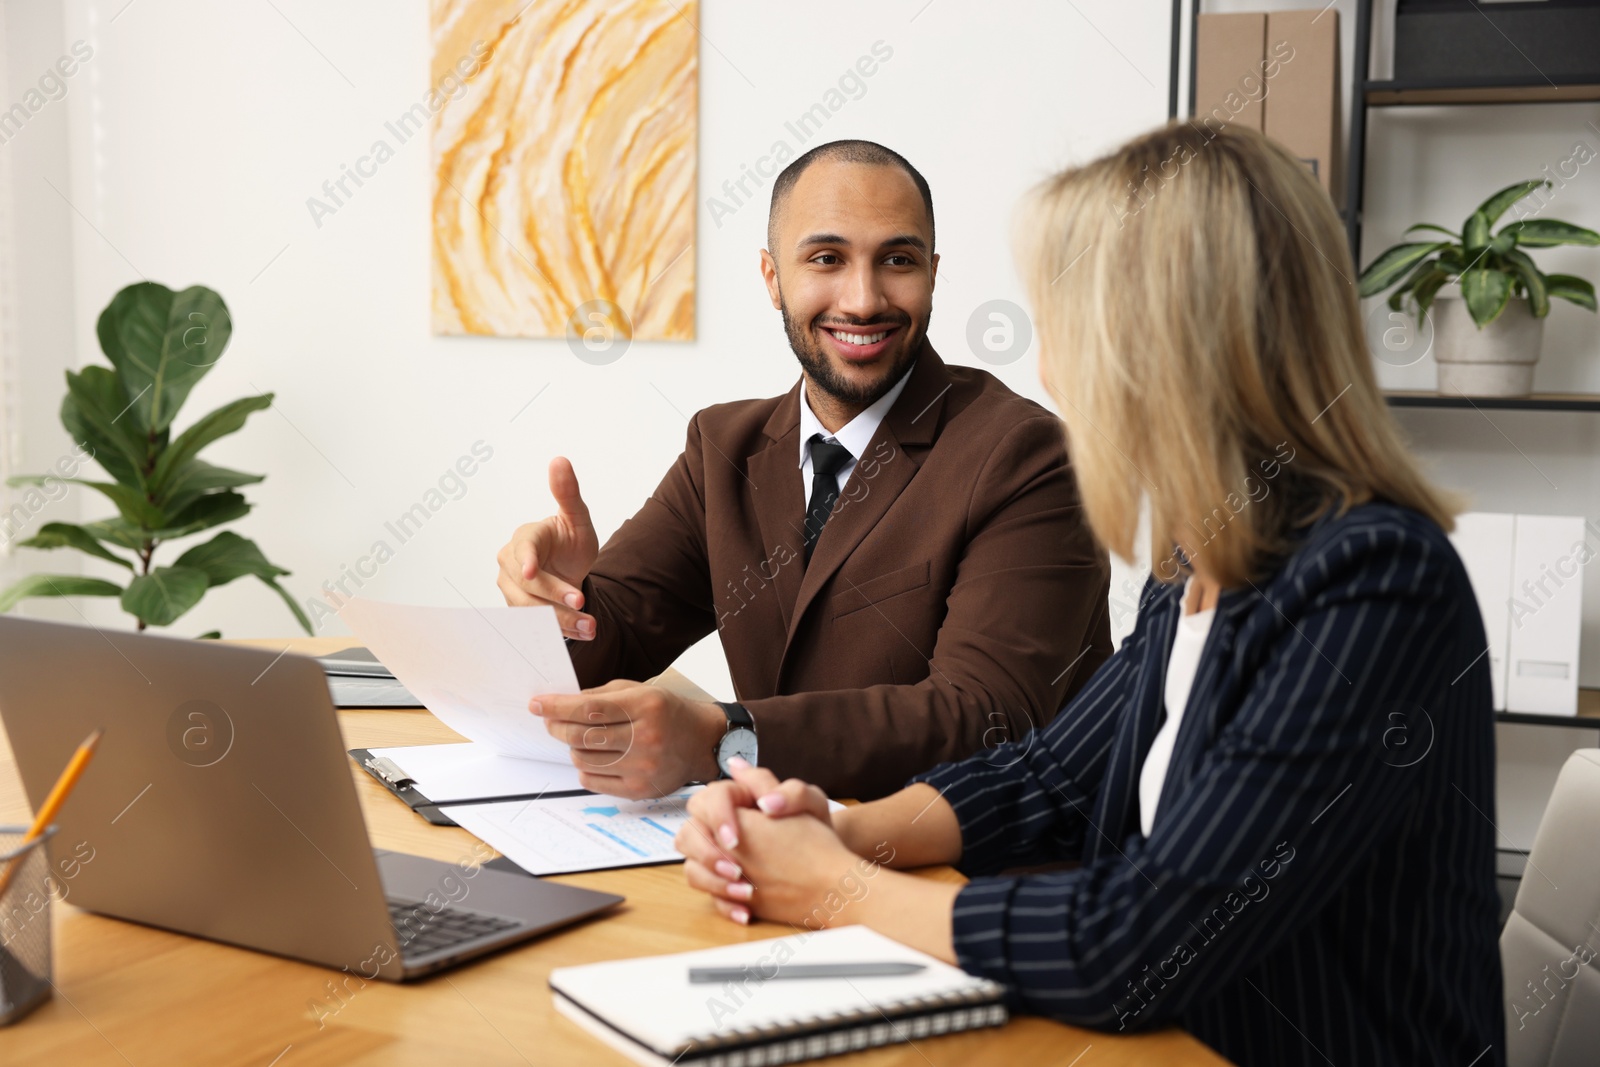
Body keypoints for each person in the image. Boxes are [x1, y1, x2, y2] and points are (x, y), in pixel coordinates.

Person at [674, 121, 1505, 1067]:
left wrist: (836, 886)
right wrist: (843, 827)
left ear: (1168, 345)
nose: (1052, 370)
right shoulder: (1200, 563)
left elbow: (1144, 939)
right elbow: (1050, 777)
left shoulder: (1374, 585)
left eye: (1065, 325)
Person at [495, 140, 1112, 801]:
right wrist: (562, 600)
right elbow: (603, 655)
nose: (864, 298)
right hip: (778, 852)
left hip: (964, 876)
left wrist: (720, 737)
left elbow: (982, 716)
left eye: (897, 261)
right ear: (771, 277)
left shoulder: (1026, 455)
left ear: (932, 273)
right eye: (827, 259)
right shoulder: (722, 446)